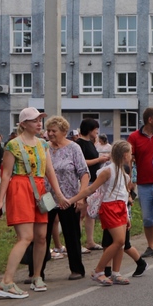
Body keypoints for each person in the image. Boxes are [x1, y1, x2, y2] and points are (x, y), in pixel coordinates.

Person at [0, 108, 70, 298]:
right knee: (26, 237)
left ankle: (37, 276)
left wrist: (59, 194)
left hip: (39, 190)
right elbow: (6, 174)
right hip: (20, 188)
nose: (39, 123)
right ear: (23, 124)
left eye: (39, 119)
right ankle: (6, 282)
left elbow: (49, 171)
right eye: (34, 120)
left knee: (42, 237)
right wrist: (0, 201)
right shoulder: (13, 145)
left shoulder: (43, 144)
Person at [67, 141, 135, 286]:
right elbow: (90, 189)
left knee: (121, 243)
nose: (131, 155)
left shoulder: (124, 173)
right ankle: (98, 270)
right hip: (110, 207)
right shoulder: (107, 171)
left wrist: (127, 215)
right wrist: (72, 200)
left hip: (121, 208)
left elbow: (124, 194)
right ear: (124, 154)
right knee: (119, 241)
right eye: (130, 152)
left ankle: (116, 272)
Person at [41, 116, 89, 280]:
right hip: (47, 198)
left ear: (64, 132)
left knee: (72, 235)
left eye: (54, 131)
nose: (50, 134)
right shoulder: (44, 147)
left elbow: (84, 173)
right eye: (48, 131)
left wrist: (80, 198)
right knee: (42, 236)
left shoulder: (74, 148)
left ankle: (77, 269)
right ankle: (37, 272)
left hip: (69, 198)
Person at [129, 108, 153, 258]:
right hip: (143, 183)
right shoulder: (134, 137)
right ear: (150, 120)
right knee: (147, 217)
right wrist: (130, 179)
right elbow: (129, 159)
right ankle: (151, 246)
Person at [76, 118, 109, 252]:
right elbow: (81, 162)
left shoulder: (90, 143)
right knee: (81, 213)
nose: (97, 132)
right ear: (90, 130)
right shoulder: (79, 144)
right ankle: (77, 243)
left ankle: (90, 241)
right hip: (85, 181)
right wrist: (99, 160)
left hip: (93, 180)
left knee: (90, 212)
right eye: (95, 129)